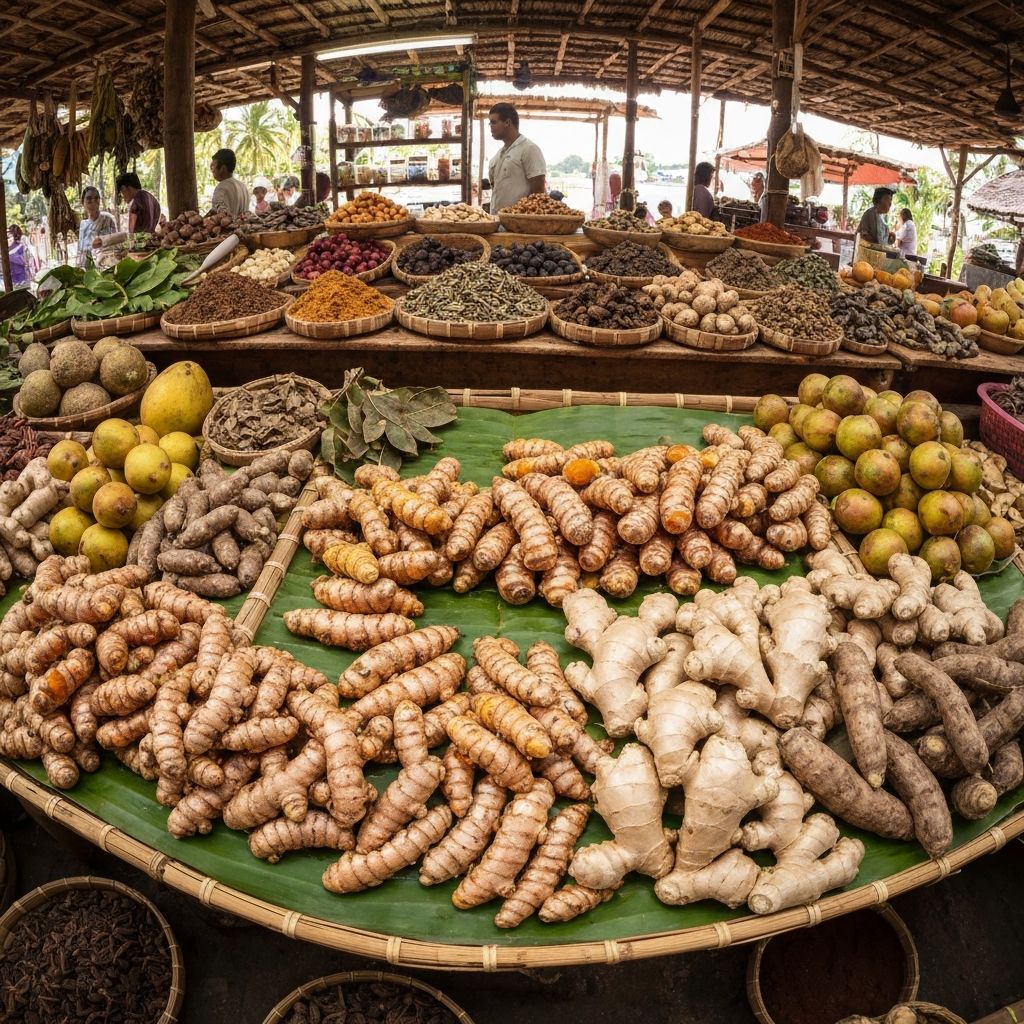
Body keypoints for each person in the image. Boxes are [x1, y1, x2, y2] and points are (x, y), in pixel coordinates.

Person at [484, 103, 546, 215]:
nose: (490, 127)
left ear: (507, 122)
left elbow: (539, 193)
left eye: (493, 122)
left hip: (520, 224)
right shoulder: (498, 156)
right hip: (498, 221)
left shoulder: (529, 149)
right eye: (490, 123)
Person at [79, 186, 117, 265]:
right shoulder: (83, 225)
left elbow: (115, 244)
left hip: (109, 264)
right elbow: (82, 252)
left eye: (96, 198)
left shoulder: (108, 219)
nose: (93, 201)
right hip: (91, 269)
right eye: (89, 199)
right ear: (83, 202)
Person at [210, 149, 250, 218]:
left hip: (228, 229)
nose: (212, 170)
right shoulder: (243, 186)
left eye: (213, 166)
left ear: (223, 168)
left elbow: (219, 218)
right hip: (242, 228)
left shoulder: (221, 187)